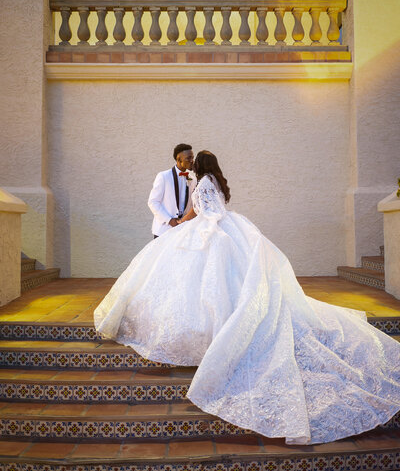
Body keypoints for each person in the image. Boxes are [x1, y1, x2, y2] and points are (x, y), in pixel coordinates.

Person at [94, 150, 400, 445]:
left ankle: (211, 333)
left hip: (207, 231)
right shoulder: (216, 182)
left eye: (193, 162)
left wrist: (178, 224)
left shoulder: (201, 183)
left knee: (192, 283)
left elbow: (194, 212)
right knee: (231, 282)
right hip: (230, 228)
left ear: (198, 166)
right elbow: (217, 209)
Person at [148, 143, 196, 238]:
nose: (192, 161)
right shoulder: (163, 176)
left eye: (192, 158)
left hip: (182, 231)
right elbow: (153, 202)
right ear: (179, 159)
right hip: (163, 230)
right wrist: (169, 220)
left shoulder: (192, 179)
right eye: (188, 158)